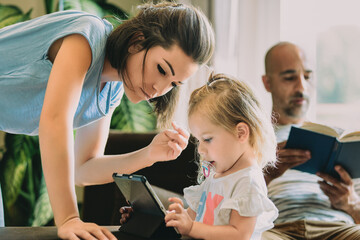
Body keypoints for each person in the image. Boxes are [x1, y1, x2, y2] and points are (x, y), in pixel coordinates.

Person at [0, 1, 214, 240]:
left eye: (173, 84)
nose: (159, 89)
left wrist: (149, 154)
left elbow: (83, 169)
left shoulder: (111, 92)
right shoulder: (86, 36)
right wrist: (69, 218)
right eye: (162, 70)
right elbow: (54, 121)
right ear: (137, 40)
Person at [261, 41, 360, 239]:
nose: (302, 87)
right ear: (267, 83)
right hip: (278, 230)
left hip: (338, 228)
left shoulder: (338, 140)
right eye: (289, 77)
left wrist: (351, 203)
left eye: (307, 76)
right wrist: (265, 175)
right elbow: (226, 202)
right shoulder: (251, 138)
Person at [163, 73, 278, 240]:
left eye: (207, 139)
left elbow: (239, 234)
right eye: (198, 140)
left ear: (241, 133)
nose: (201, 149)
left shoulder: (248, 182)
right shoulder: (215, 176)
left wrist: (192, 227)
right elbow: (191, 220)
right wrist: (173, 218)